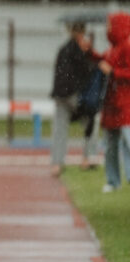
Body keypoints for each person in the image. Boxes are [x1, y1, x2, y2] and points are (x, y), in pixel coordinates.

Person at [49, 22, 100, 176]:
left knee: (59, 129)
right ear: (80, 34)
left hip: (59, 94)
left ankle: (57, 164)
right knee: (90, 121)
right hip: (74, 94)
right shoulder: (79, 51)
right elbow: (88, 71)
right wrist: (90, 53)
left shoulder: (63, 49)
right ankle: (88, 158)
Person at [100, 12, 128, 193]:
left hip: (125, 104)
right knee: (110, 145)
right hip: (110, 106)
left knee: (128, 142)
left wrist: (113, 72)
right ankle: (112, 181)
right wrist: (90, 53)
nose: (106, 29)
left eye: (109, 25)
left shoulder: (127, 47)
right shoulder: (111, 49)